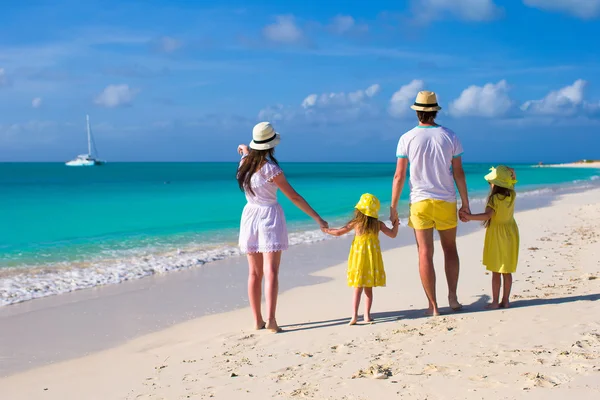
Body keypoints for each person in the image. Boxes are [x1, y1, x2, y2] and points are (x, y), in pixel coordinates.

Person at [237, 122, 328, 333]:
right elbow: (294, 197)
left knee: (254, 273)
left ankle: (257, 320)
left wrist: (243, 149)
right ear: (271, 146)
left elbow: (243, 150)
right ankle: (271, 320)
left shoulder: (243, 165)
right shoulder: (271, 170)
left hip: (250, 216)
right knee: (271, 271)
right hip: (269, 216)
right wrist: (317, 218)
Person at [390, 90, 470, 316]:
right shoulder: (450, 136)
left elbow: (399, 176)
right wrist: (465, 203)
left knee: (425, 252)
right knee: (450, 249)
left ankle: (433, 305)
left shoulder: (406, 138)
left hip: (420, 202)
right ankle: (453, 298)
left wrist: (394, 207)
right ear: (435, 111)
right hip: (445, 200)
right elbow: (459, 173)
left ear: (417, 112)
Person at [322, 193, 399, 325]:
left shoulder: (356, 223)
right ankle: (367, 316)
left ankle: (354, 316)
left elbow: (339, 232)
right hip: (371, 259)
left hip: (358, 259)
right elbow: (392, 235)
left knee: (357, 288)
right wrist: (396, 224)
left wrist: (326, 230)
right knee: (368, 289)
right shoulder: (378, 224)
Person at [462, 166, 519, 309]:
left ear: (495, 184)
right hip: (511, 233)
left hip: (497, 235)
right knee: (506, 270)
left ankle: (495, 302)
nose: (490, 184)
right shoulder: (511, 194)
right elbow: (512, 180)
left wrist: (469, 217)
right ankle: (505, 301)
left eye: (491, 182)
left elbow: (488, 216)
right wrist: (510, 172)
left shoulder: (494, 199)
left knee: (496, 270)